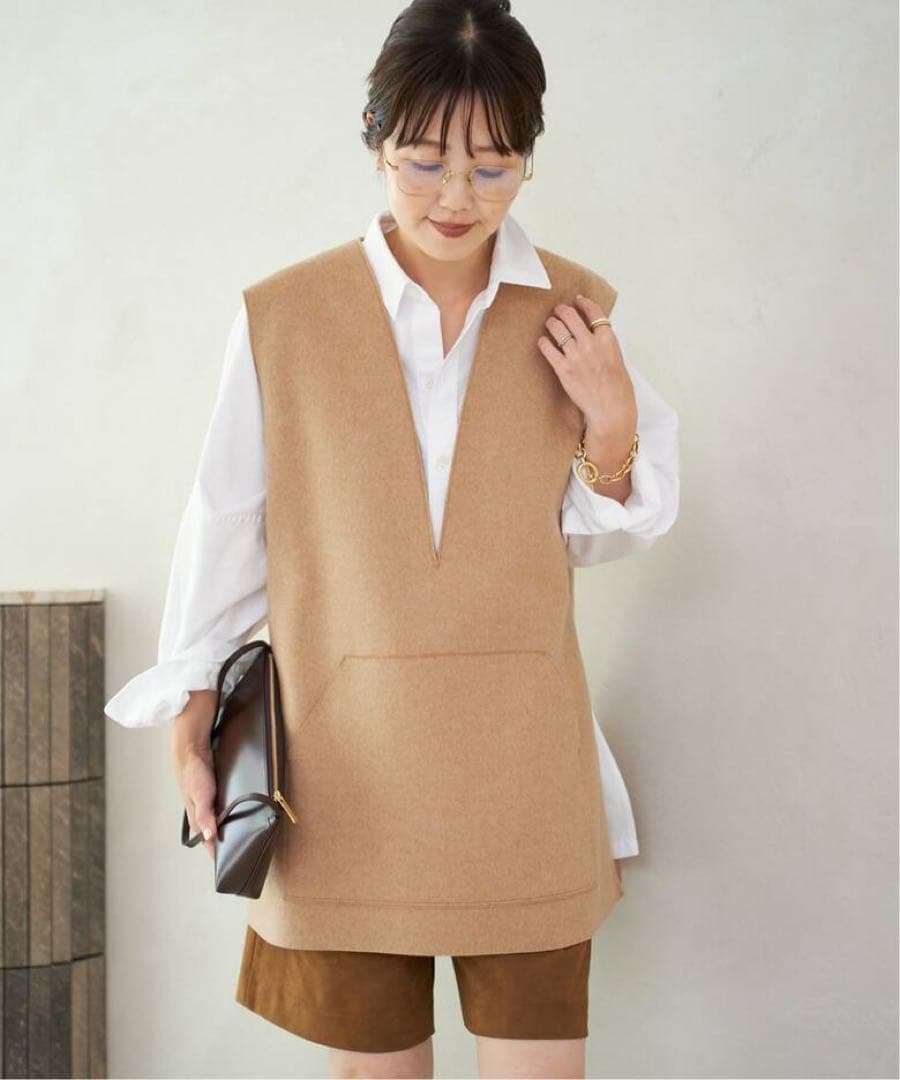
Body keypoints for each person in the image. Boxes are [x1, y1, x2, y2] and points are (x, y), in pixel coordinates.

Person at [105, 1, 679, 1076]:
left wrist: (611, 424)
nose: (457, 199)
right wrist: (189, 721)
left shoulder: (574, 312)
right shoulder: (284, 317)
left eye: (493, 168)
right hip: (341, 778)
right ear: (374, 140)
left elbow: (606, 531)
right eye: (423, 162)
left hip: (524, 773)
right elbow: (225, 525)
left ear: (530, 159)